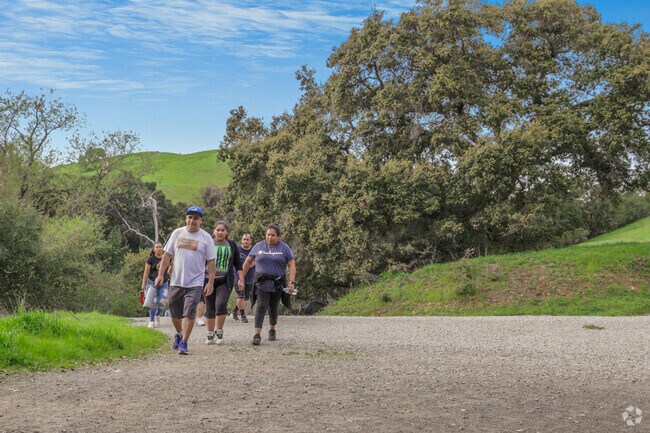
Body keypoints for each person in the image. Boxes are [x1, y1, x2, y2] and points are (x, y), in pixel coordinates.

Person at [156, 206, 216, 355]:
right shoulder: (177, 233)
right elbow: (167, 256)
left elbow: (211, 262)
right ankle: (178, 333)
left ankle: (184, 342)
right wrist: (160, 274)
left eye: (196, 218)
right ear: (186, 219)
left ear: (201, 220)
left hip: (195, 282)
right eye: (190, 217)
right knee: (175, 313)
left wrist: (210, 282)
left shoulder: (206, 237)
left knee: (189, 313)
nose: (192, 220)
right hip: (176, 280)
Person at [242, 223, 296, 346]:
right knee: (261, 305)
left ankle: (272, 329)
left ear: (278, 237)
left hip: (277, 282)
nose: (270, 237)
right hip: (261, 281)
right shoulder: (258, 246)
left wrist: (291, 282)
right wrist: (241, 278)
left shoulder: (284, 247)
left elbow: (292, 265)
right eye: (268, 235)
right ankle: (257, 334)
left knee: (273, 307)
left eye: (273, 235)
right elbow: (248, 262)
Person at [204, 221, 244, 345]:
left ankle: (219, 331)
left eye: (222, 230)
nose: (220, 232)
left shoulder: (232, 245)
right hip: (207, 280)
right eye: (218, 230)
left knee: (220, 304)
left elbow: (238, 264)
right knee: (210, 307)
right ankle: (210, 334)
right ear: (214, 231)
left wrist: (241, 279)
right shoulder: (207, 243)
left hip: (224, 281)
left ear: (227, 232)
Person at [141, 242, 170, 328]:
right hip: (152, 283)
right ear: (154, 249)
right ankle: (151, 321)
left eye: (160, 247)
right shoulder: (150, 259)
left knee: (162, 302)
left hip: (164, 283)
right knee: (153, 302)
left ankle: (158, 314)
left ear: (163, 248)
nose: (159, 249)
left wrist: (170, 271)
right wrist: (143, 285)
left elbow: (173, 265)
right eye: (157, 247)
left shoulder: (167, 258)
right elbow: (146, 273)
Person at [232, 233, 255, 323]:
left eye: (247, 239)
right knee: (240, 296)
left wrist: (253, 263)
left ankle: (234, 311)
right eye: (244, 239)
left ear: (250, 241)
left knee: (245, 298)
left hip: (250, 277)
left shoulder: (254, 250)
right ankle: (243, 315)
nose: (245, 241)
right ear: (241, 240)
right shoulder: (237, 249)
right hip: (237, 277)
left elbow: (260, 261)